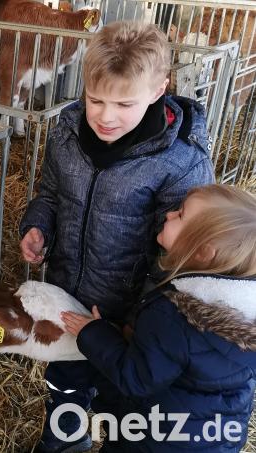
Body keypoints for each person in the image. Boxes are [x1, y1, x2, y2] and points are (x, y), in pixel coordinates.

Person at [18, 21, 214, 452]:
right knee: (66, 381)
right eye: (95, 99)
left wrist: (137, 320)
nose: (106, 116)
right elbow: (50, 192)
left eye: (124, 103)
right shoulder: (68, 134)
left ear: (160, 89)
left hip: (129, 317)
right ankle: (63, 443)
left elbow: (181, 253)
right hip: (69, 293)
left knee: (121, 399)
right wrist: (37, 226)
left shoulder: (180, 161)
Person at [62, 184, 256, 452]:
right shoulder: (244, 313)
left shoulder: (174, 316)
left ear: (203, 251)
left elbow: (137, 378)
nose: (169, 215)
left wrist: (94, 333)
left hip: (154, 439)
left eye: (180, 215)